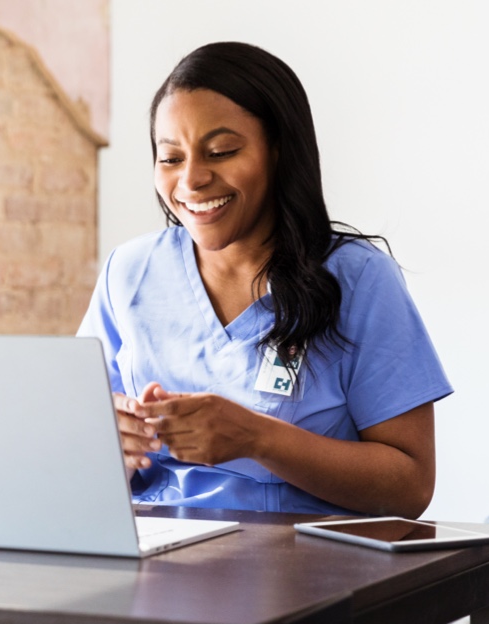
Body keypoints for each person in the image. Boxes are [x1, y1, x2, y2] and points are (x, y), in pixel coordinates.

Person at [77, 42, 452, 517]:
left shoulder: (358, 278)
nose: (191, 180)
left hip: (302, 569)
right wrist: (115, 442)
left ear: (279, 152)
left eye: (221, 151)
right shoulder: (128, 273)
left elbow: (411, 487)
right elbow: (77, 454)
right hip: (158, 558)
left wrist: (257, 438)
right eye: (170, 158)